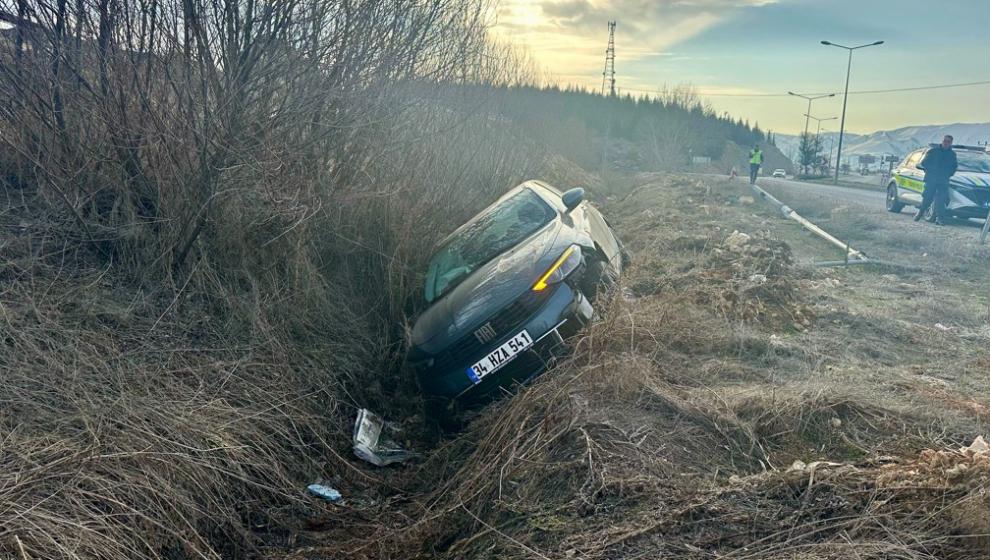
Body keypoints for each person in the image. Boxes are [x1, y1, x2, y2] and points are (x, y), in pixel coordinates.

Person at [915, 135, 957, 225]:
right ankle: (920, 213)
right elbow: (924, 163)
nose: (946, 143)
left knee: (941, 200)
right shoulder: (933, 151)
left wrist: (948, 174)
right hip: (931, 179)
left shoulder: (952, 154)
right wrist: (930, 170)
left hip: (943, 180)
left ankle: (939, 219)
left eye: (948, 142)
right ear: (942, 141)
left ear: (951, 143)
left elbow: (954, 167)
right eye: (945, 141)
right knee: (927, 198)